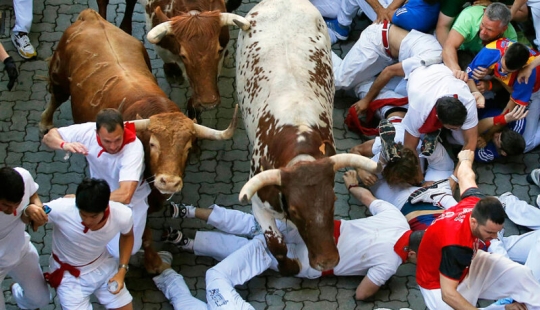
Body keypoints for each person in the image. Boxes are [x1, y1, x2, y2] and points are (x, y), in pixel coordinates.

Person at [163, 172, 423, 309]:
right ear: (411, 255)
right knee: (260, 246)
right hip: (312, 263)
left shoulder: (397, 218)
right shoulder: (391, 264)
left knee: (259, 229)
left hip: (314, 233)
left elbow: (365, 197)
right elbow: (361, 294)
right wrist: (385, 283)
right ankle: (187, 241)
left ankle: (187, 215)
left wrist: (352, 185)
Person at [415, 149, 540, 309]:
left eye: (497, 231)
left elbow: (466, 176)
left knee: (522, 276)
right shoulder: (455, 245)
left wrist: (465, 158)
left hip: (471, 263)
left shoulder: (475, 202)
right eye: (490, 232)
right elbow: (448, 294)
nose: (495, 237)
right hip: (438, 284)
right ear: (473, 222)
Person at [42, 108, 151, 258]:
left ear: (124, 130)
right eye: (107, 141)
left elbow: (126, 194)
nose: (113, 147)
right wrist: (64, 144)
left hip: (130, 201)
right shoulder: (86, 131)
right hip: (98, 192)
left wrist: (83, 200)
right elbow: (49, 136)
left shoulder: (133, 148)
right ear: (96, 132)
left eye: (118, 139)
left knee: (126, 250)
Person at [44, 178, 134, 309]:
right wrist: (28, 211)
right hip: (69, 278)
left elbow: (128, 236)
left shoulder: (122, 215)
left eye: (93, 216)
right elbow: (34, 212)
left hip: (103, 267)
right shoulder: (60, 208)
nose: (87, 221)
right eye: (83, 215)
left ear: (106, 207)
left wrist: (122, 270)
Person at [403, 63, 479, 183]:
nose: (459, 128)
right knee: (416, 156)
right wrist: (419, 179)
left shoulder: (468, 101)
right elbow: (409, 147)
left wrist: (455, 179)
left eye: (460, 125)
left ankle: (442, 137)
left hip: (441, 73)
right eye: (454, 127)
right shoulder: (418, 109)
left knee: (462, 140)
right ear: (438, 118)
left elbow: (470, 143)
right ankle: (428, 135)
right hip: (419, 76)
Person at [467, 39, 540, 152]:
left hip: (535, 92)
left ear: (523, 67)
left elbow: (508, 111)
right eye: (502, 66)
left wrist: (488, 135)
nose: (502, 71)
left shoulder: (527, 75)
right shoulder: (491, 50)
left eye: (508, 71)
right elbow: (469, 77)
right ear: (505, 51)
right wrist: (476, 92)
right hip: (510, 87)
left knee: (527, 143)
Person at [333, 22, 442, 93]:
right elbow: (389, 71)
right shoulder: (433, 56)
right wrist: (366, 100)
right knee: (339, 82)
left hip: (387, 55)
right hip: (376, 41)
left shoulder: (439, 59)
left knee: (350, 84)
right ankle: (318, 50)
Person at [0, 167, 50, 309]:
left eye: (17, 204)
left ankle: (17, 292)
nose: (12, 211)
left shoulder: (23, 176)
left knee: (40, 300)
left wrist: (35, 208)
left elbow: (33, 195)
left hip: (21, 251)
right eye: (6, 205)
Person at [442, 3, 517, 81]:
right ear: (484, 12)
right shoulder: (469, 16)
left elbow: (508, 70)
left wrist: (490, 72)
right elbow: (449, 47)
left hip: (484, 64)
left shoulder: (510, 38)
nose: (483, 32)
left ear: (504, 29)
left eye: (489, 29)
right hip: (461, 52)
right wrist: (457, 71)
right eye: (482, 25)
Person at [324, 0, 440, 44]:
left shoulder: (412, 15)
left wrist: (380, 9)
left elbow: (387, 15)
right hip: (402, 15)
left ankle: (341, 26)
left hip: (393, 28)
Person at [435, 0, 527, 48]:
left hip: (497, 31)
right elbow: (442, 26)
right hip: (459, 31)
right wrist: (453, 51)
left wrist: (495, 6)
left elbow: (523, 14)